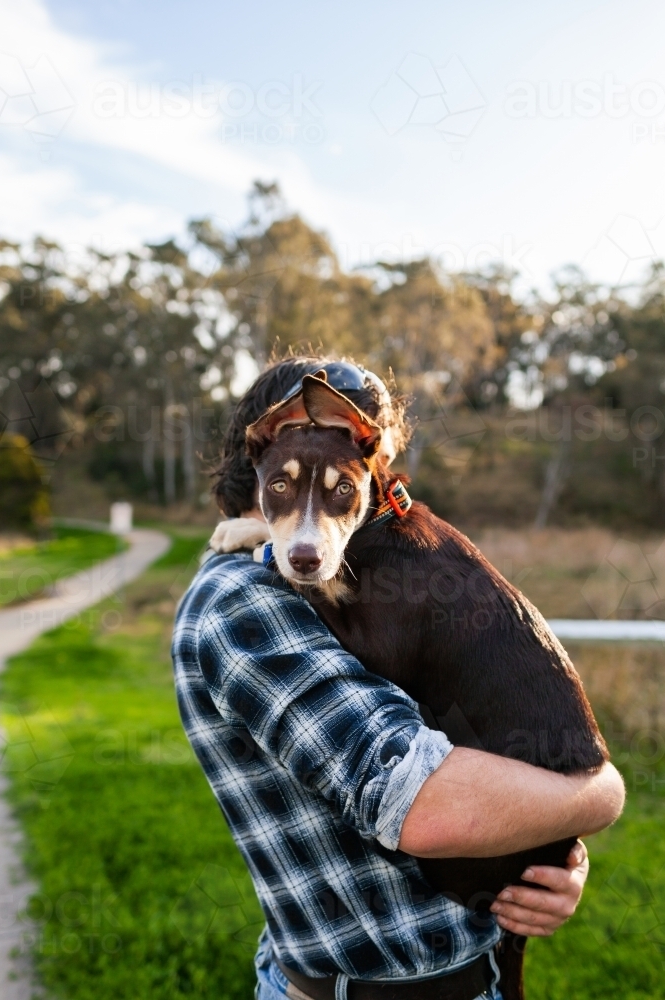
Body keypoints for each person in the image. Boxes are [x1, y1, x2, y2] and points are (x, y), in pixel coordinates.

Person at [172, 356, 624, 1000]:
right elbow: (421, 806)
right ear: (258, 446)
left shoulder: (375, 567)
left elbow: (476, 735)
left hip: (473, 961)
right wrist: (597, 794)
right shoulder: (244, 600)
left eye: (358, 443)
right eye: (305, 424)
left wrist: (547, 859)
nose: (328, 444)